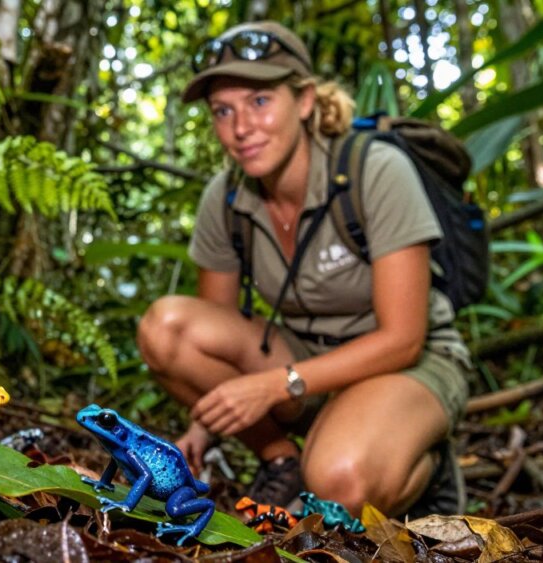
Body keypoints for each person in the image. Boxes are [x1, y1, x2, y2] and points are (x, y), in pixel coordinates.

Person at [136, 20, 473, 517]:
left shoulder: (373, 172)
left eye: (260, 101)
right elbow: (215, 333)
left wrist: (273, 386)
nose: (241, 127)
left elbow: (404, 338)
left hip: (408, 361)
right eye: (222, 111)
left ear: (307, 101)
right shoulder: (226, 199)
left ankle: (421, 465)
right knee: (166, 330)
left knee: (339, 482)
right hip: (302, 360)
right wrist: (204, 425)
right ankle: (280, 460)